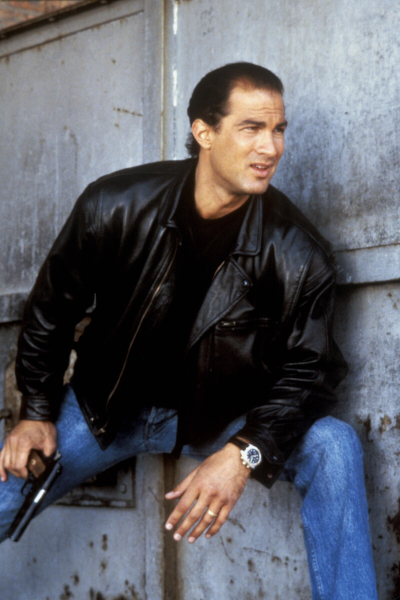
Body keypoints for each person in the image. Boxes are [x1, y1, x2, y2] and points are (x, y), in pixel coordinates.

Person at [0, 62, 377, 599]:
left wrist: (245, 451)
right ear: (204, 131)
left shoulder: (299, 252)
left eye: (279, 129)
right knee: (5, 485)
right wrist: (36, 412)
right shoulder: (115, 205)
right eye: (251, 128)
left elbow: (311, 372)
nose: (271, 147)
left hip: (220, 419)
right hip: (106, 408)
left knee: (334, 445)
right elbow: (51, 309)